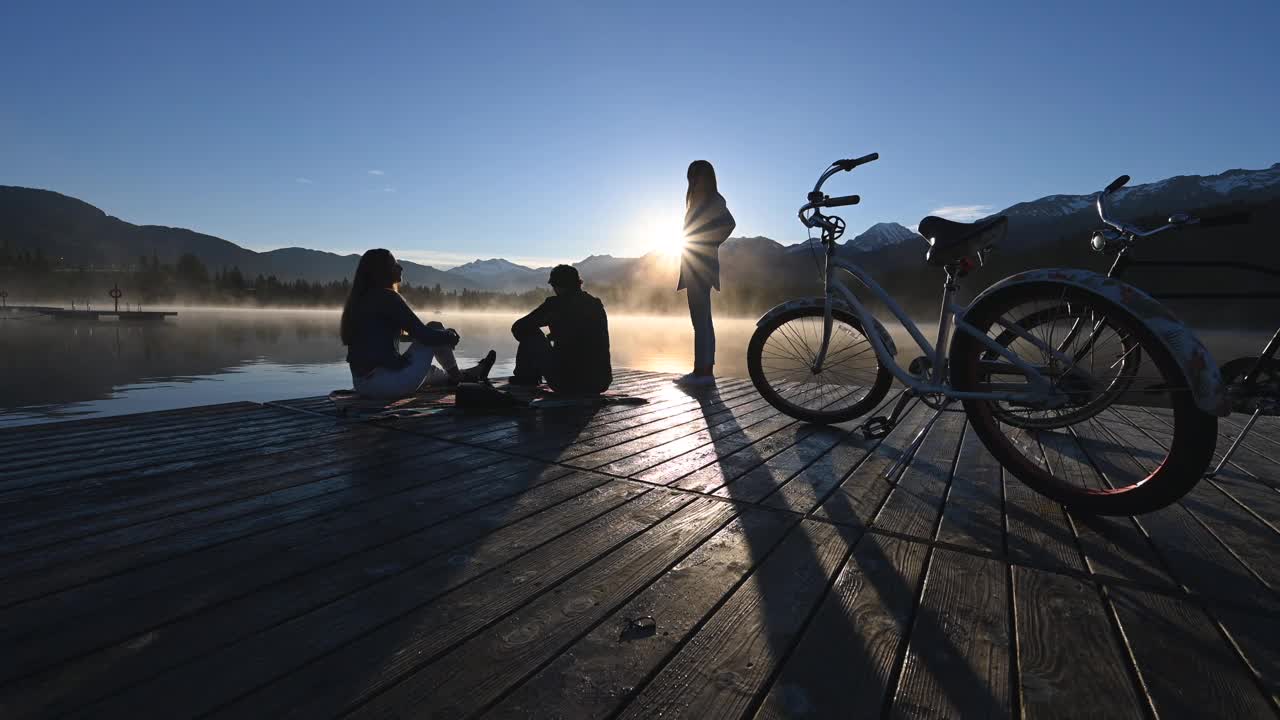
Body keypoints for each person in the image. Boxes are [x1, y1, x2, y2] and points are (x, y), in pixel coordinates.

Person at [340, 248, 495, 400]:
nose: (400, 267)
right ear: (381, 271)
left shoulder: (360, 300)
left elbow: (389, 336)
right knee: (435, 326)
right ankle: (458, 378)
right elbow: (425, 335)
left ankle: (463, 374)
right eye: (394, 264)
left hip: (362, 384)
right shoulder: (388, 298)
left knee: (430, 370)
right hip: (384, 385)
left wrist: (439, 337)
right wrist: (449, 335)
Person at [677, 159, 735, 386]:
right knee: (701, 321)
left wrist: (709, 242)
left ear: (707, 177)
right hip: (695, 265)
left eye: (696, 175)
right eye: (690, 176)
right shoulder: (699, 202)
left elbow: (729, 223)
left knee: (701, 321)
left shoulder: (713, 200)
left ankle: (702, 372)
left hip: (700, 266)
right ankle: (702, 370)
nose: (692, 180)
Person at [510, 264, 612, 395]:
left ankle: (526, 377)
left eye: (553, 286)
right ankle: (528, 376)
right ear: (578, 283)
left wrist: (548, 339)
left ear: (558, 285)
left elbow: (519, 327)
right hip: (600, 383)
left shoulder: (555, 304)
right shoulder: (595, 304)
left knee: (530, 333)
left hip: (566, 383)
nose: (553, 290)